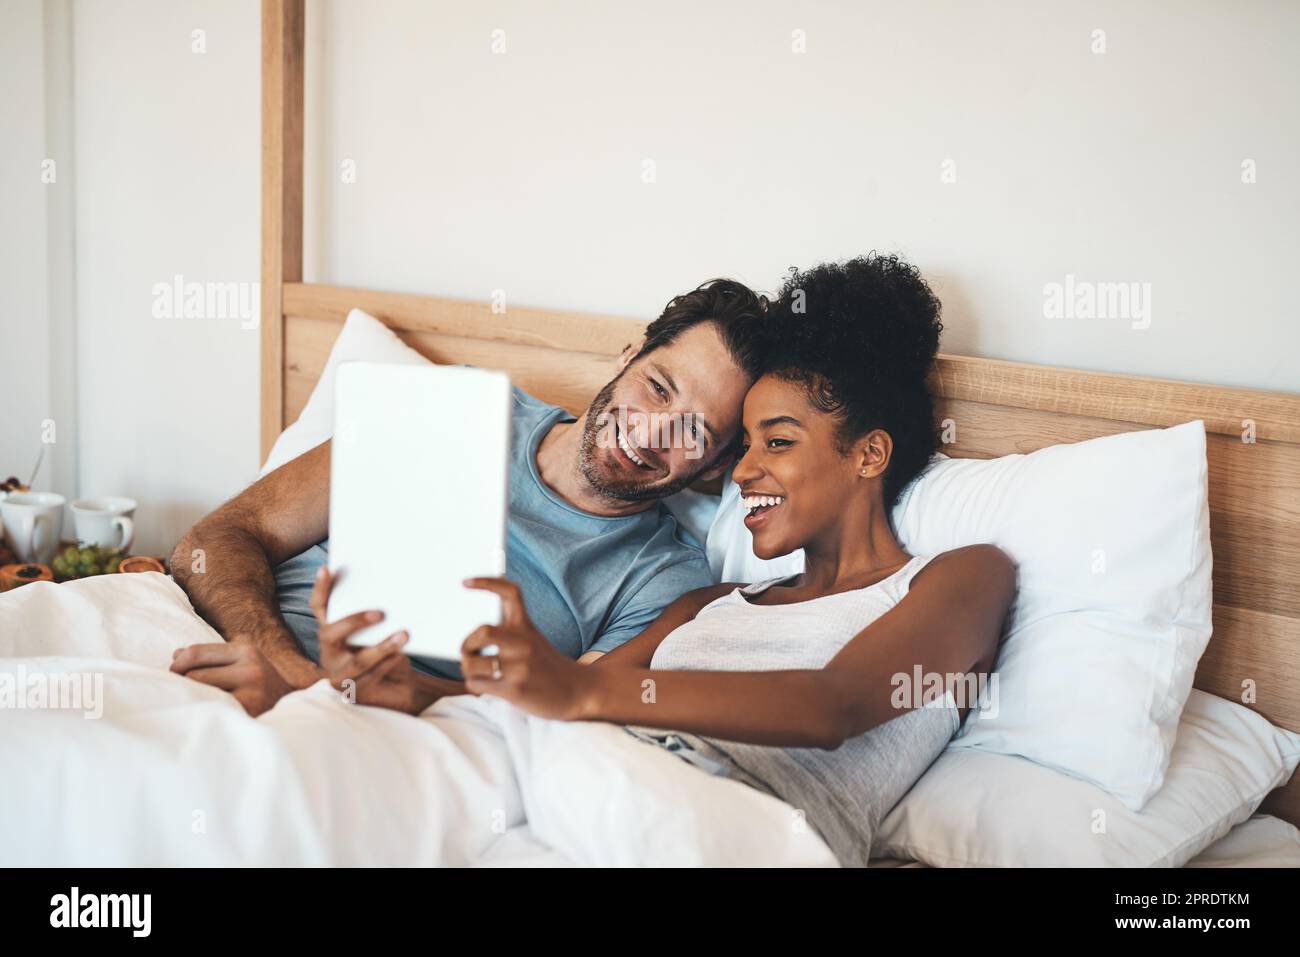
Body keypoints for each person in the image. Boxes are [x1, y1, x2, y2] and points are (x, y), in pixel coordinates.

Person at [312, 254, 1016, 865]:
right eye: (739, 446)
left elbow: (836, 703)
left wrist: (579, 693)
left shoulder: (961, 576)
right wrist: (407, 692)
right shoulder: (710, 602)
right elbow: (541, 700)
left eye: (776, 442)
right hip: (584, 785)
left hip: (735, 824)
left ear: (869, 452)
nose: (741, 473)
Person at [168, 279, 767, 716]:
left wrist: (337, 697)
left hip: (382, 731)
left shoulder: (663, 581)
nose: (651, 431)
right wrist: (282, 664)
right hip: (232, 645)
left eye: (696, 432)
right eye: (657, 388)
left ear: (714, 466)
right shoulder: (448, 406)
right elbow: (215, 539)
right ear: (630, 355)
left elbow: (559, 714)